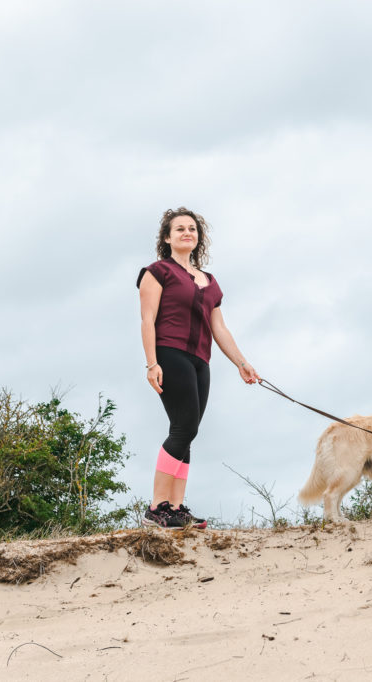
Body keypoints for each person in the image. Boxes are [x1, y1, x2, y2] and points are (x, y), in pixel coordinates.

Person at [137, 207, 260, 529]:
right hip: (169, 352)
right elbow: (147, 319)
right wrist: (152, 363)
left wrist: (242, 363)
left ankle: (175, 508)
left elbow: (219, 329)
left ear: (198, 237)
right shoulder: (157, 272)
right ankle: (157, 507)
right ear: (168, 238)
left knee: (187, 432)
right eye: (179, 229)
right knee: (183, 428)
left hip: (200, 360)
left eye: (192, 229)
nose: (186, 233)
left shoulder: (211, 283)